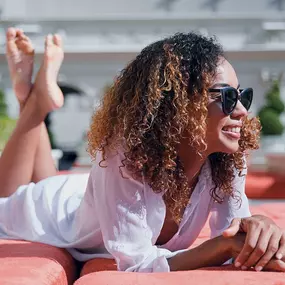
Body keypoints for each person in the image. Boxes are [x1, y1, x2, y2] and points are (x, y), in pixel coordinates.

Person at [0, 27, 284, 273]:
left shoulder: (226, 160)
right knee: (5, 199)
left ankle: (31, 97)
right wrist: (222, 247)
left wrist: (257, 228)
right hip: (50, 208)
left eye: (243, 95)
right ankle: (34, 103)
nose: (242, 110)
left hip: (86, 198)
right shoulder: (126, 156)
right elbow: (136, 263)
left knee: (45, 183)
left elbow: (233, 235)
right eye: (227, 96)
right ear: (178, 105)